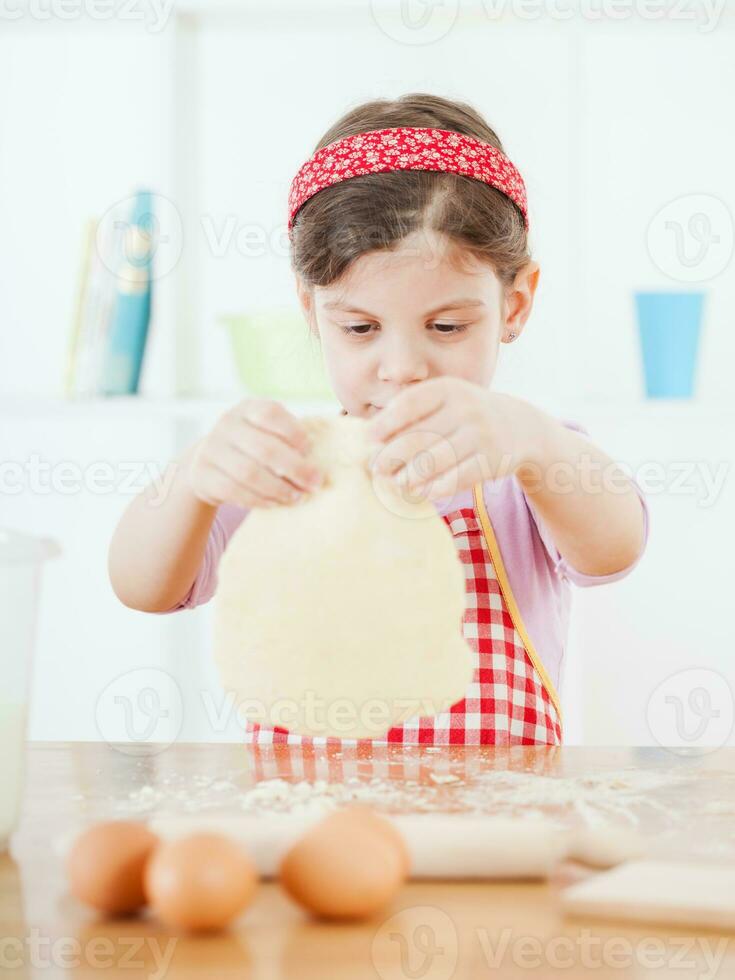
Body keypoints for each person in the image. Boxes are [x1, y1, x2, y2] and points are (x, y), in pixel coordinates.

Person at [109, 93, 648, 752]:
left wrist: (534, 441)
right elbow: (143, 588)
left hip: (492, 835)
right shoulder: (285, 466)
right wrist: (195, 476)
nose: (401, 368)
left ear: (515, 303)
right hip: (302, 828)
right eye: (360, 328)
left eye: (446, 326)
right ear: (311, 311)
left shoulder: (523, 460)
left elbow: (615, 547)